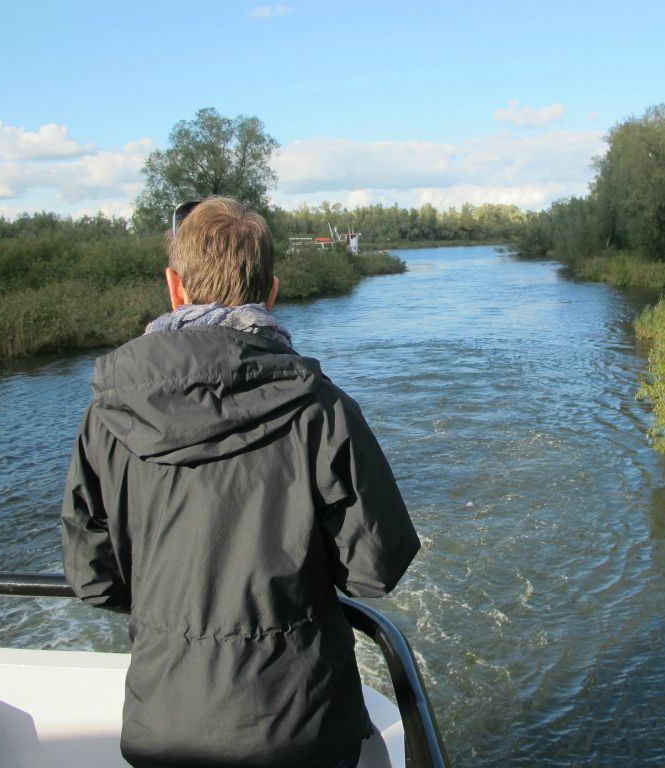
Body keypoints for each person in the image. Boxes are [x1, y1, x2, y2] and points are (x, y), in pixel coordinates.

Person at [61, 196, 420, 768]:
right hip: (302, 723)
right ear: (271, 293)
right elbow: (376, 571)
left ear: (174, 287)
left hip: (166, 723)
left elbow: (92, 578)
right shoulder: (321, 410)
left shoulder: (105, 417)